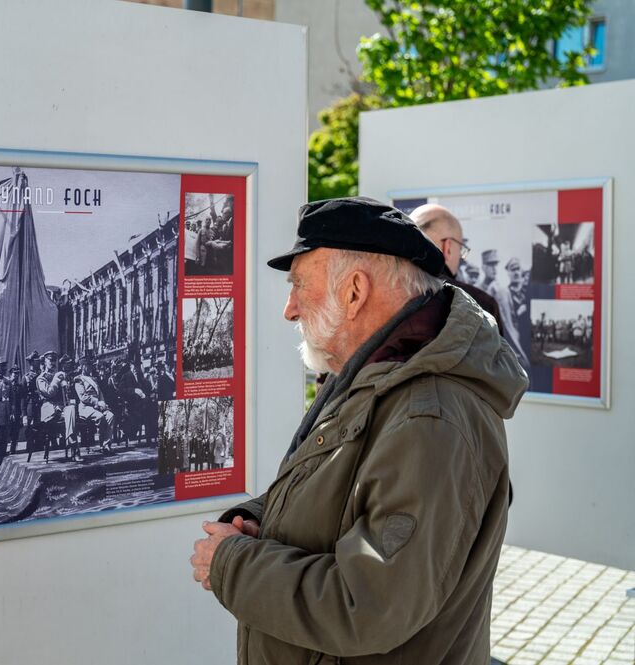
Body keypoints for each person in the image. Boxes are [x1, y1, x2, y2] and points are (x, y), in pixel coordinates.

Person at [190, 197, 527, 665]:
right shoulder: (375, 379)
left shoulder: (429, 417)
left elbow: (368, 604)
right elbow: (338, 491)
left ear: (353, 292)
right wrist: (256, 521)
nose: (289, 309)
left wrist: (233, 565)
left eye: (299, 286)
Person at [410, 203, 504, 334]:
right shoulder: (482, 305)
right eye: (460, 249)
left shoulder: (385, 291)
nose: (461, 258)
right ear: (447, 247)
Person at [35, 351, 77, 462]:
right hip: (48, 410)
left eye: (54, 360)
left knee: (71, 409)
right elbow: (49, 393)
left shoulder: (60, 375)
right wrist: (57, 380)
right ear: (45, 361)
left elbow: (66, 395)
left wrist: (66, 385)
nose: (52, 363)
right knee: (69, 416)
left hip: (61, 409)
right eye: (50, 360)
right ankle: (74, 450)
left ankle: (72, 446)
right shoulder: (41, 378)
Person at [74, 356, 115, 453]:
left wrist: (103, 403)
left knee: (110, 416)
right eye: (89, 366)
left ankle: (106, 444)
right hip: (86, 408)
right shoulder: (78, 380)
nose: (91, 368)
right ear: (83, 367)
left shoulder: (93, 379)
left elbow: (100, 393)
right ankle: (103, 444)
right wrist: (97, 402)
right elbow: (83, 397)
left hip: (97, 406)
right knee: (100, 417)